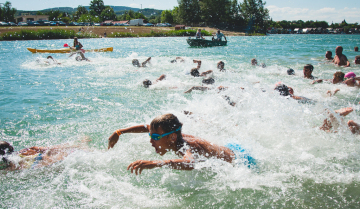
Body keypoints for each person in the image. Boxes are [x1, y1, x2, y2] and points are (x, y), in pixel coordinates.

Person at [108, 113, 256, 175]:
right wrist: (119, 132)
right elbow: (145, 126)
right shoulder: (173, 137)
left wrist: (155, 163)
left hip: (241, 160)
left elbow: (190, 163)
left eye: (155, 136)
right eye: (150, 135)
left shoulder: (186, 146)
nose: (151, 140)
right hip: (229, 147)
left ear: (172, 137)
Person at [0, 140, 88, 171]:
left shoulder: (8, 168)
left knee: (59, 160)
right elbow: (37, 148)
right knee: (46, 151)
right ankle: (78, 145)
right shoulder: (22, 152)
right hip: (36, 157)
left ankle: (78, 147)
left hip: (34, 165)